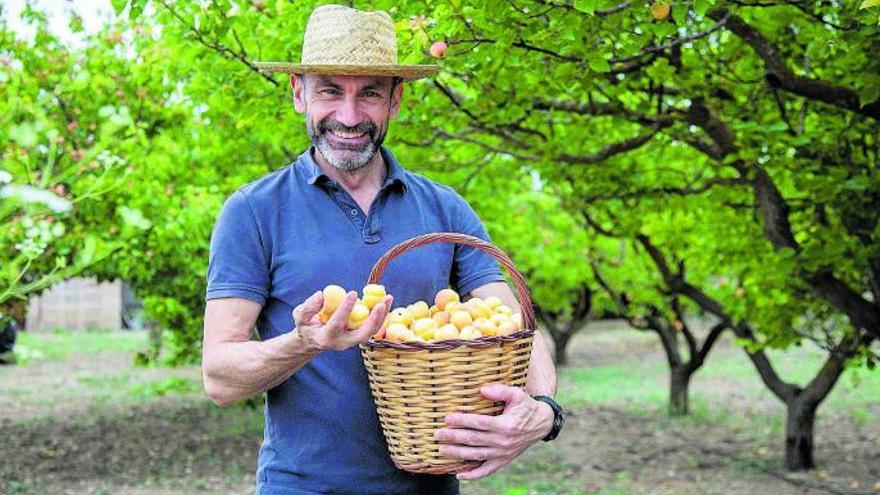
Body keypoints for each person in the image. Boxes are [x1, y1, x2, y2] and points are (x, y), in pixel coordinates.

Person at [203, 5, 564, 495]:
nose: (349, 117)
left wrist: (543, 411)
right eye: (330, 91)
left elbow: (514, 321)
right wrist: (303, 343)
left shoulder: (445, 209)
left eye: (369, 93)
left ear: (395, 100)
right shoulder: (253, 212)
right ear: (298, 94)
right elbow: (220, 378)